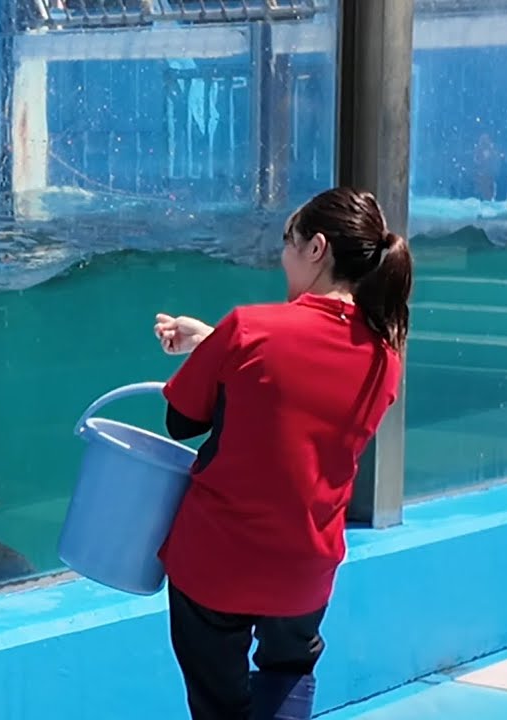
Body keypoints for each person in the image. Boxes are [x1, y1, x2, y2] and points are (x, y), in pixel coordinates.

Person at [152, 188, 413, 720]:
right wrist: (214, 343)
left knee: (219, 702)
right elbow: (294, 392)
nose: (283, 254)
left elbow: (181, 421)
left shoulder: (250, 327)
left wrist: (217, 346)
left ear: (317, 248)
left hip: (216, 563)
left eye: (288, 242)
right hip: (305, 569)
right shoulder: (385, 359)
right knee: (288, 673)